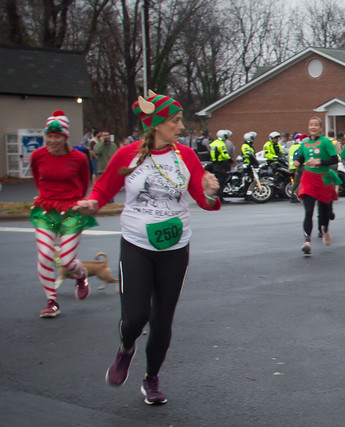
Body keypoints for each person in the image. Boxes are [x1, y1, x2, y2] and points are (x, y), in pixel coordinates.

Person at [75, 90, 221, 406]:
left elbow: (202, 200)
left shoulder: (187, 157)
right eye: (176, 121)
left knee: (162, 319)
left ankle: (151, 377)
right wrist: (92, 202)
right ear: (156, 124)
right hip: (137, 245)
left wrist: (209, 192)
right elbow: (104, 187)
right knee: (135, 317)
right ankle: (127, 347)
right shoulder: (128, 155)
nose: (181, 127)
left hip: (174, 248)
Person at [29, 110, 96, 318]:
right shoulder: (37, 155)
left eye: (57, 136)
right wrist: (44, 198)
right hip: (45, 211)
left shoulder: (78, 158)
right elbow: (37, 177)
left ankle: (80, 274)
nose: (52, 140)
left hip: (72, 211)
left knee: (66, 260)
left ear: (65, 137)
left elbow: (85, 183)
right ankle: (52, 301)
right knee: (45, 256)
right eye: (49, 136)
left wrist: (76, 203)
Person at [293, 117, 340, 254]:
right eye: (311, 125)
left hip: (323, 179)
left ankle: (325, 228)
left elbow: (334, 159)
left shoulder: (325, 142)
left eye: (316, 125)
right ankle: (307, 241)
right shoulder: (305, 142)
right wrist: (297, 161)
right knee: (308, 211)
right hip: (308, 178)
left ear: (320, 128)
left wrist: (319, 161)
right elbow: (301, 157)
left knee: (324, 210)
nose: (313, 127)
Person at [209, 129, 233, 198]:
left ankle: (217, 194)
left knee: (218, 179)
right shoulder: (221, 144)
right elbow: (224, 154)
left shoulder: (213, 143)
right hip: (221, 164)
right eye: (225, 136)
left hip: (214, 164)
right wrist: (229, 159)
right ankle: (219, 196)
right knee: (222, 180)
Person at [287, 133, 306, 202]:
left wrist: (289, 168)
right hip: (302, 166)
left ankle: (292, 196)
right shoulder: (301, 146)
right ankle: (298, 194)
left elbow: (288, 157)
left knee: (296, 182)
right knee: (303, 181)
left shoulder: (292, 147)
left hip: (294, 167)